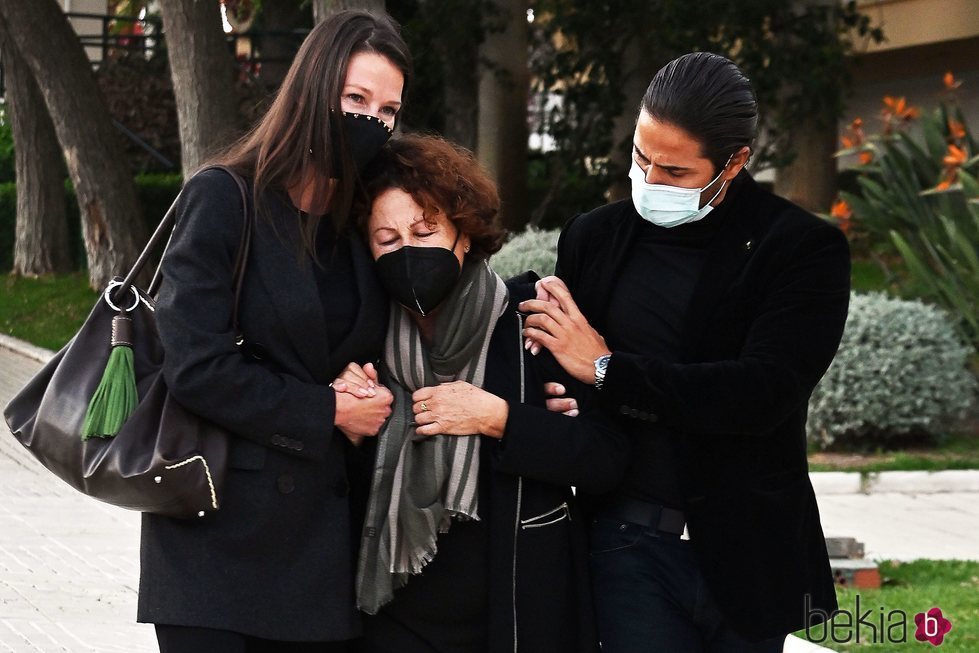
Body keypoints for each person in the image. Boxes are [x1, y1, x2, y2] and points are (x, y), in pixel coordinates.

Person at [521, 52, 849, 652]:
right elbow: (568, 381)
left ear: (735, 163)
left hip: (747, 554)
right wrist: (555, 391)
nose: (649, 181)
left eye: (674, 172)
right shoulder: (594, 238)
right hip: (625, 548)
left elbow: (761, 395)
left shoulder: (801, 249)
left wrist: (606, 369)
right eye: (640, 158)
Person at [138, 11, 410, 652]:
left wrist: (364, 384)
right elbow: (196, 366)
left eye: (389, 110)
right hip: (217, 549)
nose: (373, 121)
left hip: (320, 555)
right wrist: (327, 409)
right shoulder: (225, 197)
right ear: (314, 88)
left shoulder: (362, 220)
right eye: (355, 98)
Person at [332, 134, 629, 653]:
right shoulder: (364, 339)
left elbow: (604, 457)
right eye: (388, 239)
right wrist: (349, 423)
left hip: (516, 612)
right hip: (394, 618)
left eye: (425, 232)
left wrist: (500, 418)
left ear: (464, 235)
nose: (408, 251)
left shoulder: (531, 324)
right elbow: (346, 487)